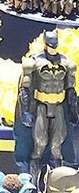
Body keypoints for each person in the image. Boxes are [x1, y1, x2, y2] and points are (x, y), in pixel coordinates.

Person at [18, 29, 78, 182]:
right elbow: (24, 89)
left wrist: (73, 111)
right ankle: (32, 180)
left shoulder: (66, 63)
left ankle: (57, 181)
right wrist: (25, 111)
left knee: (57, 145)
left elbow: (71, 89)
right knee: (40, 142)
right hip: (41, 105)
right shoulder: (33, 62)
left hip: (58, 105)